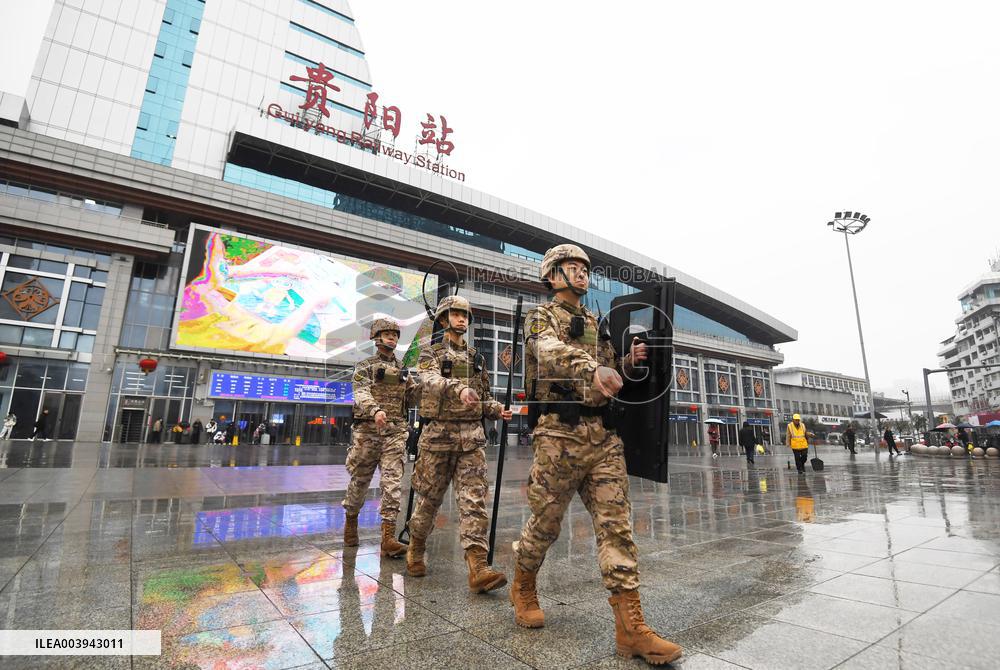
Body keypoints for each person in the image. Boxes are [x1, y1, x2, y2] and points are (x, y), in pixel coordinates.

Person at [508, 244, 681, 665]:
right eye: (571, 268)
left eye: (584, 269)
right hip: (559, 436)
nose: (581, 274)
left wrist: (627, 362)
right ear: (552, 276)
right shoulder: (540, 316)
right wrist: (593, 370)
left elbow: (608, 374)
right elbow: (548, 351)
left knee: (617, 527)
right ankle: (524, 581)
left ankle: (631, 628)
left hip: (602, 435)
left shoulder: (594, 322)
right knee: (546, 524)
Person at [405, 295, 512, 594]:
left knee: (474, 503)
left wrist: (495, 409)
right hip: (437, 438)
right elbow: (428, 379)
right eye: (455, 314)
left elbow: (483, 396)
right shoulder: (431, 353)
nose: (461, 318)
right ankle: (415, 546)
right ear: (443, 319)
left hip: (471, 440)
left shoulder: (477, 358)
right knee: (428, 500)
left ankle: (478, 566)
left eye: (465, 314)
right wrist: (458, 388)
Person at [342, 317, 418, 558]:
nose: (392, 338)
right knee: (359, 482)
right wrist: (376, 411)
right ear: (376, 338)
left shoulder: (403, 370)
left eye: (395, 335)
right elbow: (361, 392)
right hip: (367, 433)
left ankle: (388, 538)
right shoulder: (365, 366)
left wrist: (425, 387)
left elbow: (413, 398)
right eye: (387, 334)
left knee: (392, 482)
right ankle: (351, 521)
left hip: (395, 432)